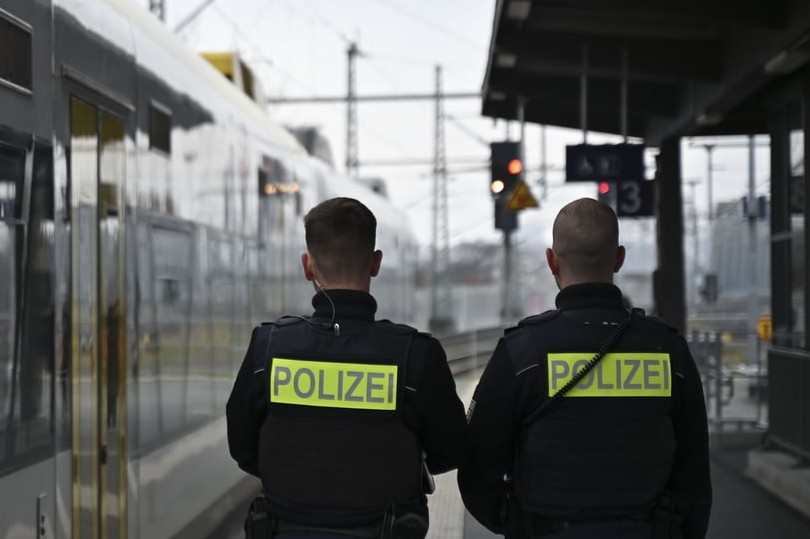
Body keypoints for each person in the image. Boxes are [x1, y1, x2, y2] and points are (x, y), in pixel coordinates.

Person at [458, 198, 711, 539]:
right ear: (619, 258)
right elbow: (694, 474)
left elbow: (477, 467)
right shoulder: (668, 350)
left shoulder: (522, 351)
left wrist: (516, 524)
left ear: (552, 261)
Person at [227, 196, 467, 539]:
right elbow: (452, 448)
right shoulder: (416, 354)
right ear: (375, 263)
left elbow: (243, 446)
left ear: (307, 266)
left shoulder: (269, 348)